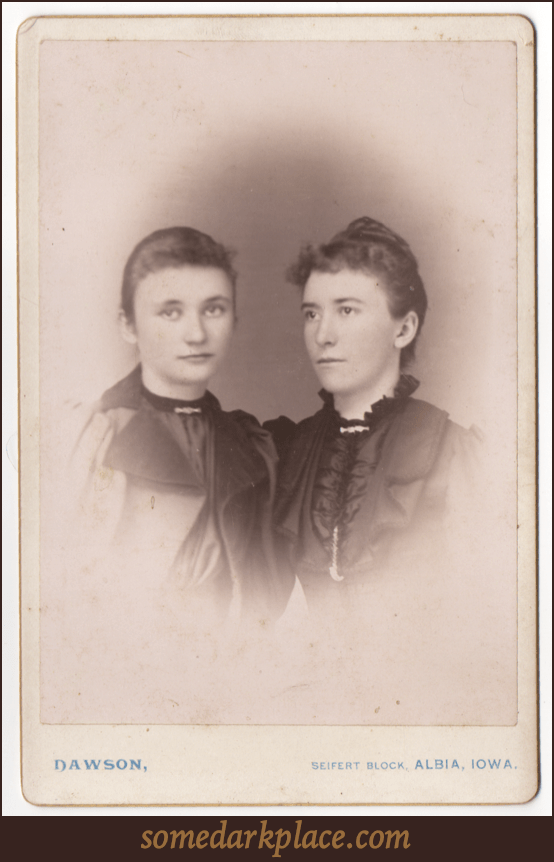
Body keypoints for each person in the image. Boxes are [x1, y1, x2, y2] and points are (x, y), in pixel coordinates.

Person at [265, 217, 516, 725]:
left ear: (404, 328)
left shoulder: (451, 452)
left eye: (347, 310)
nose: (324, 334)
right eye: (311, 313)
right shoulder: (286, 449)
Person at [42, 227, 291, 723]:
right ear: (128, 325)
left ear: (235, 319)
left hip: (224, 697)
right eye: (170, 311)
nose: (196, 334)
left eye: (213, 309)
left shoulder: (253, 446)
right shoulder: (79, 440)